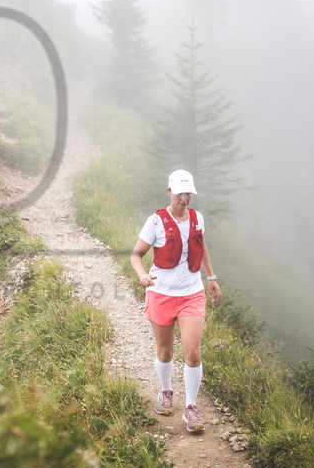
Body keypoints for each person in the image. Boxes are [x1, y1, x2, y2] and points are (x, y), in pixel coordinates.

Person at [130, 169, 222, 432]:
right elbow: (136, 255)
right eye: (180, 193)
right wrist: (142, 275)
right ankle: (166, 391)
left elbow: (201, 247)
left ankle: (191, 408)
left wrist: (211, 277)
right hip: (161, 293)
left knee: (192, 353)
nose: (184, 198)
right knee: (166, 352)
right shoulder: (156, 221)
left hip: (191, 293)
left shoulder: (197, 218)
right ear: (169, 191)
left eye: (188, 193)